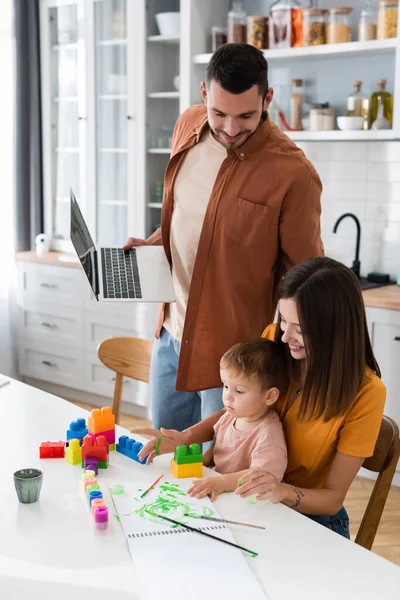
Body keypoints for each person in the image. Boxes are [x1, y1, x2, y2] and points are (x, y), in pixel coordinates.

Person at [124, 43, 323, 432]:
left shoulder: (294, 173)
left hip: (236, 357)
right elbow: (187, 212)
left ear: (267, 98)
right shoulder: (187, 126)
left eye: (246, 115)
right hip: (170, 335)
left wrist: (296, 357)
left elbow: (305, 277)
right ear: (203, 94)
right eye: (219, 113)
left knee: (216, 474)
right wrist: (153, 243)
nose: (231, 129)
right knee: (166, 461)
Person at [136, 257, 386, 538]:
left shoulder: (366, 393)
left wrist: (280, 490)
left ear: (335, 331)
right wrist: (187, 436)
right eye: (284, 322)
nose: (284, 336)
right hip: (251, 500)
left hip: (309, 517)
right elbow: (240, 407)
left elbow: (332, 499)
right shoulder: (275, 340)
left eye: (300, 329)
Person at [185, 339, 288, 501]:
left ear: (269, 396)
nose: (227, 396)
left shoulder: (268, 437)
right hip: (222, 494)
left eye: (239, 391)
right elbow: (220, 444)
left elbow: (261, 477)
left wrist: (221, 482)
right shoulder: (231, 415)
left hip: (249, 503)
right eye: (225, 386)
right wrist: (204, 460)